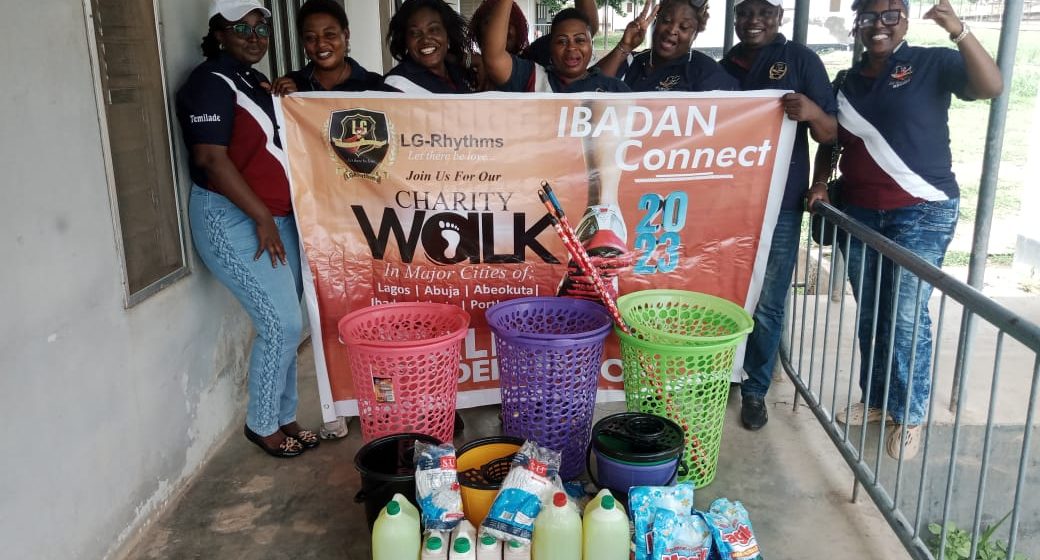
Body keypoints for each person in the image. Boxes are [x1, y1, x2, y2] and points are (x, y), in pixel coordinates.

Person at [808, 0, 1001, 459]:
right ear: (857, 25)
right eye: (869, 18)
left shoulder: (932, 62)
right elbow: (833, 142)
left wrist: (958, 29)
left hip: (923, 212)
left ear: (905, 21)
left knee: (908, 316)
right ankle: (876, 401)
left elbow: (990, 86)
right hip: (861, 212)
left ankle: (910, 414)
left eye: (889, 16)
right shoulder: (847, 83)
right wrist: (819, 184)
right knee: (874, 312)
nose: (878, 26)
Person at [176, 0, 321, 458]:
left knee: (289, 320)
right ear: (218, 32)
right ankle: (261, 424)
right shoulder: (209, 83)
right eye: (241, 27)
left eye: (261, 28)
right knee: (280, 323)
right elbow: (210, 160)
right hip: (234, 217)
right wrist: (261, 217)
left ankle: (284, 415)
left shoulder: (253, 81)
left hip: (277, 218)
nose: (254, 36)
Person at [719, 0, 838, 431]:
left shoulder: (801, 60)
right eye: (745, 13)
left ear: (779, 17)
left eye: (764, 13)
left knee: (768, 302)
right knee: (725, 292)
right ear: (735, 19)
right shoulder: (724, 66)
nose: (753, 21)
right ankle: (721, 376)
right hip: (728, 201)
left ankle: (754, 389)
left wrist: (810, 112)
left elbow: (830, 132)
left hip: (782, 202)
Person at [597, 0, 738, 92]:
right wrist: (625, 45)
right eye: (666, 20)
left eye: (684, 27)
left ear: (694, 35)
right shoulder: (631, 60)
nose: (671, 30)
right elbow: (589, 92)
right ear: (655, 22)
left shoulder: (705, 71)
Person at [482, 5, 629, 93]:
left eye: (580, 40)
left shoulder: (614, 89)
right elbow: (493, 57)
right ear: (550, 47)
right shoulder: (532, 77)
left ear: (591, 45)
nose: (571, 47)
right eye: (561, 41)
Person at [271, 0, 388, 94]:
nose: (321, 44)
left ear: (346, 35)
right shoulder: (292, 84)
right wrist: (285, 98)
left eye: (330, 35)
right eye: (310, 38)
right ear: (303, 42)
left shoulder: (375, 86)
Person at [384, 0, 474, 93]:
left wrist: (470, 59)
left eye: (433, 29)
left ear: (448, 34)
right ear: (405, 40)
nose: (425, 40)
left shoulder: (460, 71)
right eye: (415, 33)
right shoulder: (397, 84)